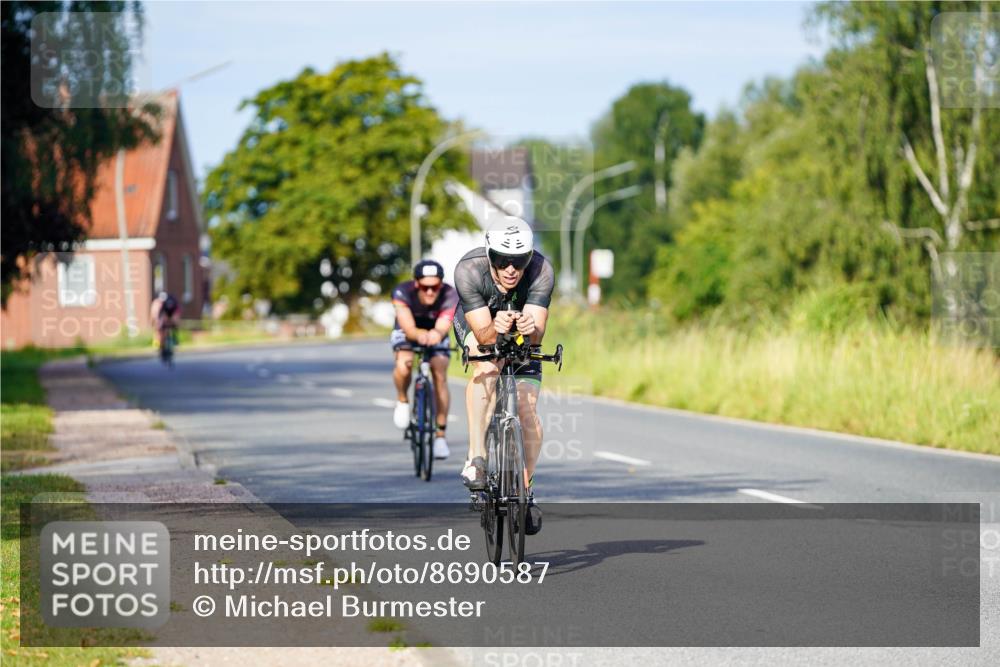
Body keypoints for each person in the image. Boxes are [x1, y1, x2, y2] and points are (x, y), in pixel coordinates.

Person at [452, 216, 554, 535]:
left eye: (519, 261)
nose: (511, 269)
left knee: (526, 409)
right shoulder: (469, 270)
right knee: (486, 366)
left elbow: (536, 335)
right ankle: (477, 457)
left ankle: (526, 488)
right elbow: (484, 336)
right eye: (502, 260)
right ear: (489, 255)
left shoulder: (541, 270)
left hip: (519, 335)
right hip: (479, 325)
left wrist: (530, 329)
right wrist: (495, 328)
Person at [390, 259, 458, 460]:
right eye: (425, 287)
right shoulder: (402, 292)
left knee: (440, 371)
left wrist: (436, 334)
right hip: (408, 329)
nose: (430, 292)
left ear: (441, 285)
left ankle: (440, 435)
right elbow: (408, 328)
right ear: (416, 283)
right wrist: (419, 335)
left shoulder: (450, 294)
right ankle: (403, 399)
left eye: (434, 287)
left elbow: (443, 326)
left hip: (436, 330)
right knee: (404, 364)